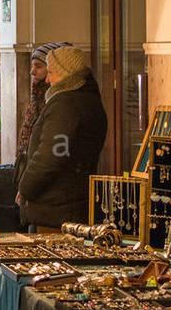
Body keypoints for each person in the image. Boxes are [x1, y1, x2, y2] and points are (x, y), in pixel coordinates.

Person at [16, 46, 108, 230]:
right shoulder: (88, 99)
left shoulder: (66, 105)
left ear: (66, 73)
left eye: (51, 72)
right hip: (69, 205)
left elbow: (51, 157)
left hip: (55, 209)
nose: (48, 79)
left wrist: (25, 188)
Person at [15, 41, 72, 173]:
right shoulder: (37, 96)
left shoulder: (60, 102)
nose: (32, 72)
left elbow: (53, 150)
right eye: (32, 66)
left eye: (38, 66)